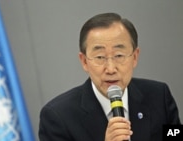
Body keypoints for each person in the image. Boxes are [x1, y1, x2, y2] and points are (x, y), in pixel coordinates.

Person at [38, 12, 181, 141]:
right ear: (84, 61)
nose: (111, 69)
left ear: (135, 57)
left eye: (119, 55)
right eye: (100, 57)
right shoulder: (58, 116)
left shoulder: (158, 95)